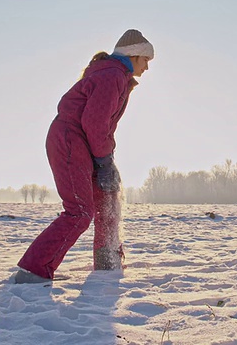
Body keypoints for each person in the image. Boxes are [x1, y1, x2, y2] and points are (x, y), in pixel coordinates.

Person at [15, 29, 154, 283]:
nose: (147, 67)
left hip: (86, 143)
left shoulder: (117, 76)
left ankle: (108, 266)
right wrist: (103, 160)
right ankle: (32, 271)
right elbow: (95, 122)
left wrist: (106, 159)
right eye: (146, 60)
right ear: (134, 55)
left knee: (108, 199)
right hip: (70, 140)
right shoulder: (112, 75)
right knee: (79, 210)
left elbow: (100, 127)